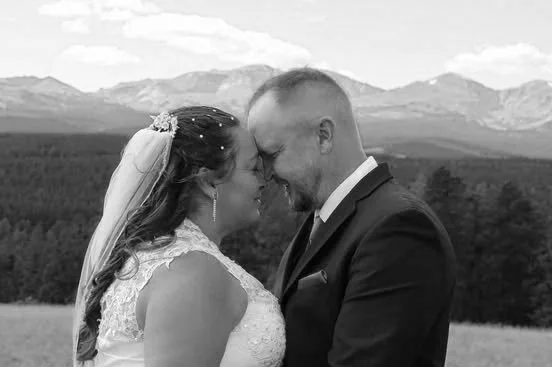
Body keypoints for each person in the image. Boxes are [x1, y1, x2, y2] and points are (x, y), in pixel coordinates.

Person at [246, 68, 457, 367]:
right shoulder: (323, 219)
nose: (265, 176)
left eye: (272, 155)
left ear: (323, 136)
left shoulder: (398, 229)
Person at [72, 106, 285, 367]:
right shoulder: (193, 272)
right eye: (253, 169)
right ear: (208, 183)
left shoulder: (160, 257)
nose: (265, 180)